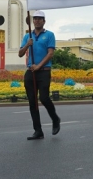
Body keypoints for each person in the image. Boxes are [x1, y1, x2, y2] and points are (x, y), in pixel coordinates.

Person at [18, 10, 61, 140]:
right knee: (32, 102)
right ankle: (38, 131)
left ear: (44, 21)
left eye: (39, 19)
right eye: (35, 18)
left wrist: (39, 66)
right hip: (30, 72)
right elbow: (20, 53)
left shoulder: (49, 35)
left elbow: (50, 53)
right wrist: (27, 45)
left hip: (43, 71)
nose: (37, 20)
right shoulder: (28, 36)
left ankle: (55, 119)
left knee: (44, 98)